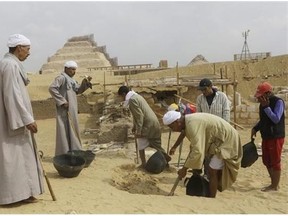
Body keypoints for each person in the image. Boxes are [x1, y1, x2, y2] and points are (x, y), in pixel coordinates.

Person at [0, 34, 44, 204]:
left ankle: (24, 193)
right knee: (14, 157)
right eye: (27, 49)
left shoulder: (11, 64)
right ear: (19, 48)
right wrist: (26, 119)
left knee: (21, 156)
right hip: (13, 121)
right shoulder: (10, 66)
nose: (29, 53)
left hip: (16, 118)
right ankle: (13, 196)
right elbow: (12, 95)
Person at [163, 110, 242, 198]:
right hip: (218, 140)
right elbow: (195, 146)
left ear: (177, 122)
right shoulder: (188, 122)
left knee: (212, 170)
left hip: (226, 140)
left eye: (171, 126)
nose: (172, 129)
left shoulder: (192, 125)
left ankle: (211, 198)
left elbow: (198, 151)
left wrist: (184, 169)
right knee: (211, 169)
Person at [118, 85, 171, 168]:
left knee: (152, 143)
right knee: (145, 143)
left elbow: (139, 116)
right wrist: (134, 126)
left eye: (121, 96)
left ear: (124, 94)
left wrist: (138, 131)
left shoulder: (132, 100)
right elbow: (137, 115)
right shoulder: (136, 96)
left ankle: (164, 160)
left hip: (148, 124)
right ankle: (145, 163)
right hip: (152, 122)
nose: (121, 99)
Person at [49, 60, 92, 156]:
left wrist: (85, 83)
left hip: (72, 109)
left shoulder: (71, 80)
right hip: (64, 110)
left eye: (75, 70)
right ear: (66, 69)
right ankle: (64, 153)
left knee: (73, 129)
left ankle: (74, 150)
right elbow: (52, 88)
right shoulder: (61, 78)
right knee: (64, 130)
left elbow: (78, 90)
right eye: (72, 69)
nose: (74, 72)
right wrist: (62, 101)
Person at [251, 82, 285, 192]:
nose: (259, 98)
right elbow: (263, 120)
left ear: (268, 93)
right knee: (267, 161)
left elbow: (276, 119)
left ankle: (275, 185)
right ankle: (273, 183)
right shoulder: (263, 104)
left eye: (261, 95)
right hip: (266, 136)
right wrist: (255, 128)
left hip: (276, 136)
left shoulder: (278, 102)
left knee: (275, 161)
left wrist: (266, 107)